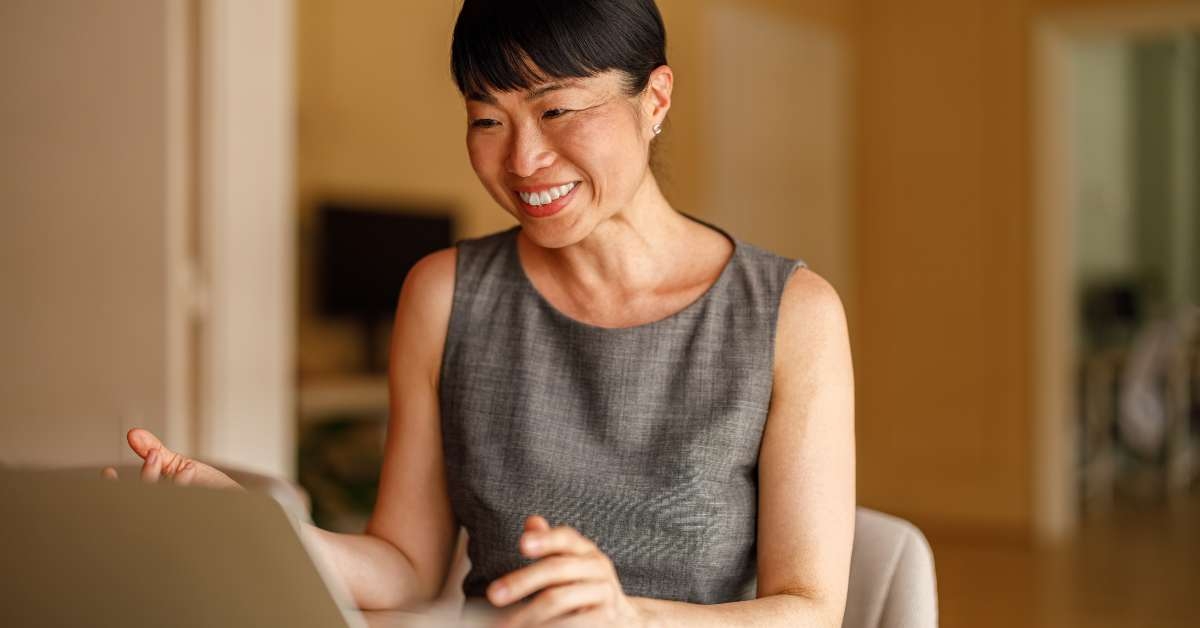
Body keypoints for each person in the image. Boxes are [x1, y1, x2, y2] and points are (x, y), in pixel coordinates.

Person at [105, 1, 856, 626]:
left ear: (655, 98)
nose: (522, 160)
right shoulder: (443, 295)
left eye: (556, 108)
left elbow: (811, 610)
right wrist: (261, 531)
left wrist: (633, 616)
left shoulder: (791, 314)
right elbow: (405, 568)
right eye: (486, 120)